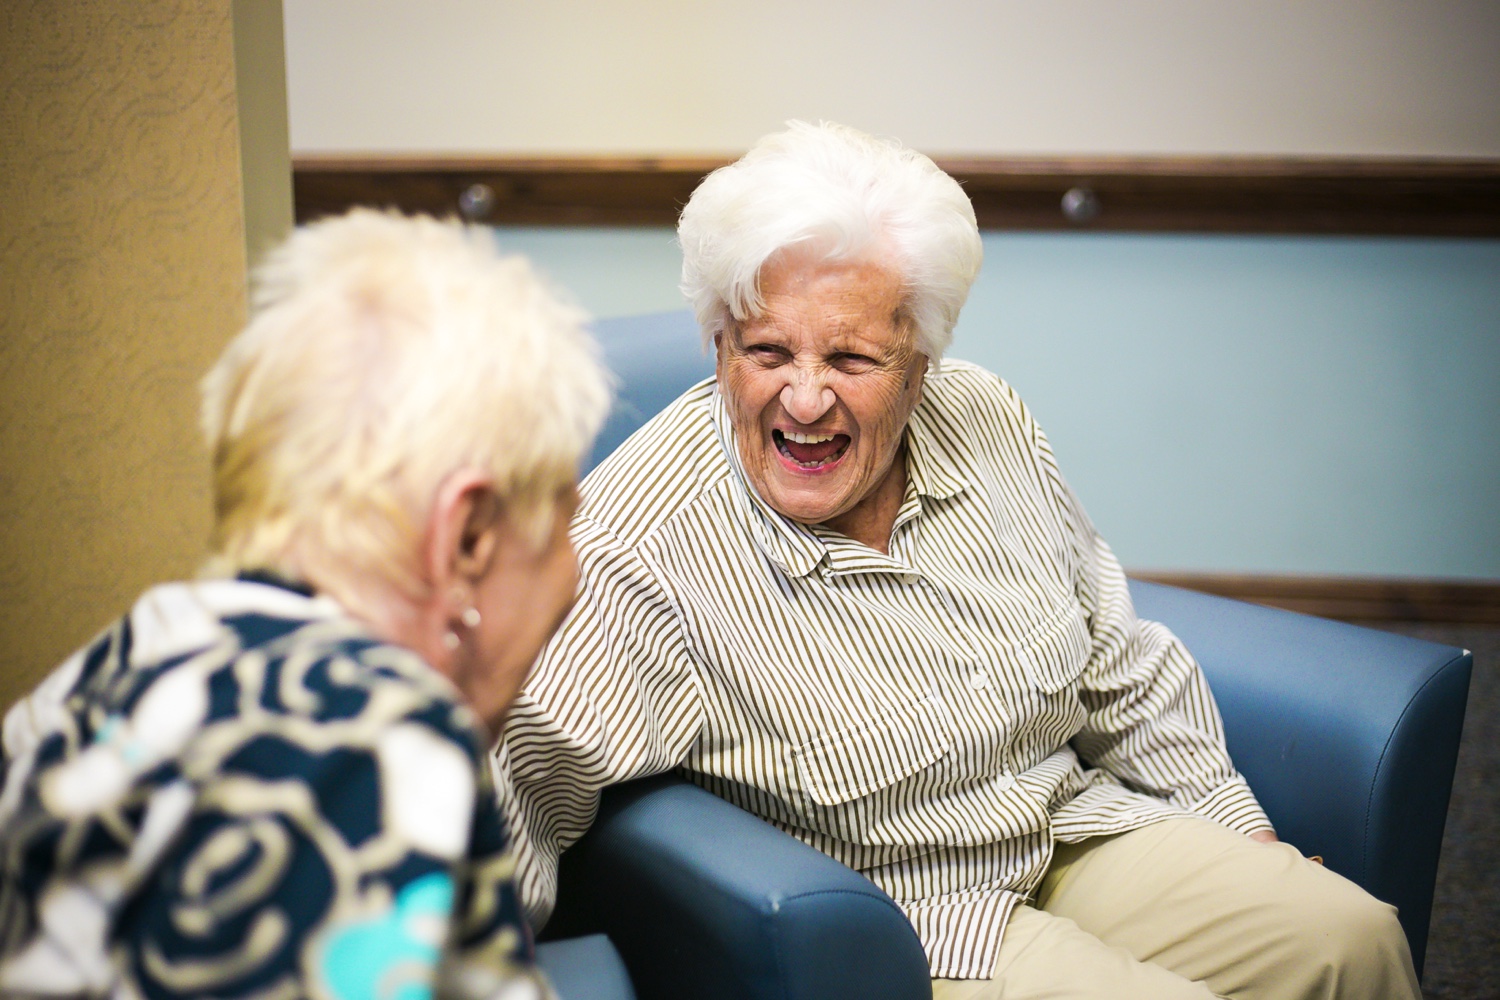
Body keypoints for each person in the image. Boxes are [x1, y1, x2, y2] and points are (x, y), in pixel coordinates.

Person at [492, 122, 1421, 999]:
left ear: (920, 361)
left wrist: (1240, 831)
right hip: (914, 912)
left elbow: (1115, 660)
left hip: (1071, 824)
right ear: (720, 345)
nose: (804, 400)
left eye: (851, 358)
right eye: (766, 350)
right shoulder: (641, 544)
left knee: (1354, 942)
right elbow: (520, 770)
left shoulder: (988, 418)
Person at [0, 210, 610, 1000]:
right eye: (567, 515)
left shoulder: (113, 667)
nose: (573, 572)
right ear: (466, 539)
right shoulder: (368, 742)